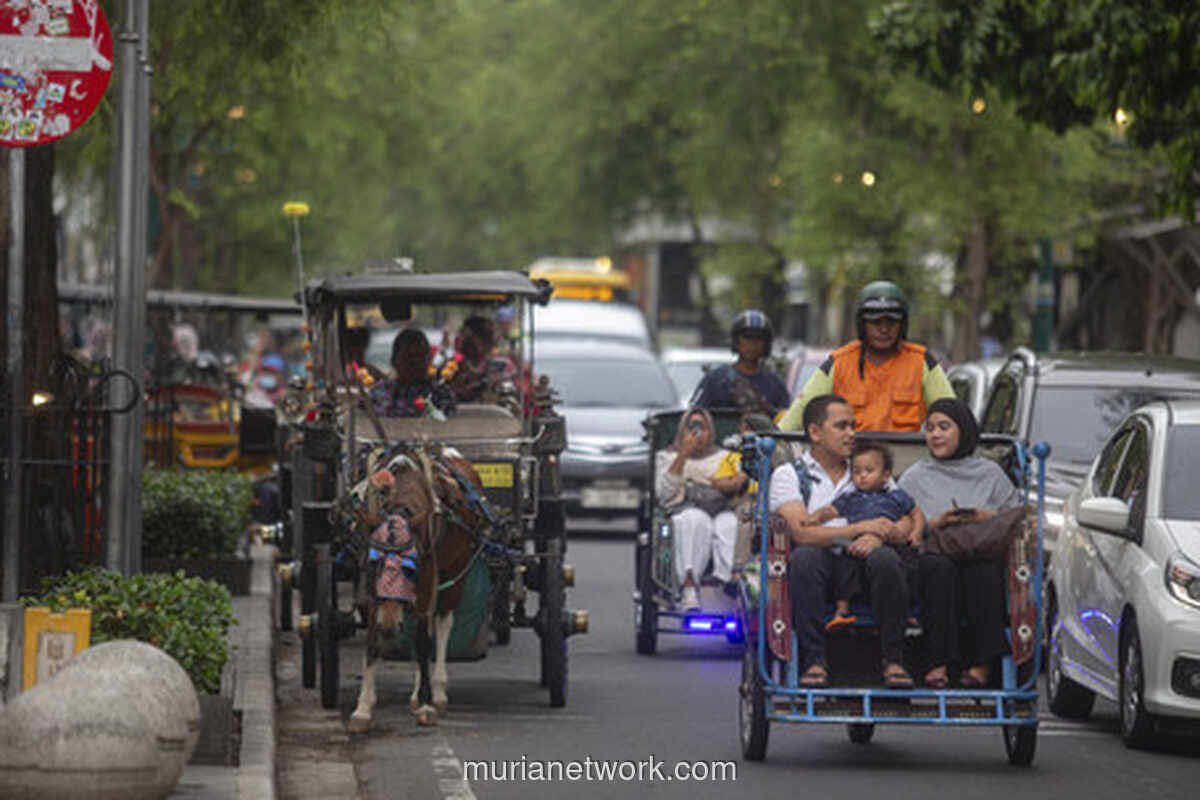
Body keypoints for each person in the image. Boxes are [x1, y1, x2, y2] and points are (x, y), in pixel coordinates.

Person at [769, 394, 917, 688]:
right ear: (815, 432)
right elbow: (801, 532)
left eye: (853, 425)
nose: (852, 433)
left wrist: (880, 534)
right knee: (804, 557)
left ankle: (894, 660)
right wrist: (858, 529)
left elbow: (904, 517)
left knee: (887, 558)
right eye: (841, 426)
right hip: (822, 563)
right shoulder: (789, 475)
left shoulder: (867, 469)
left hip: (868, 562)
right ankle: (813, 660)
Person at [897, 397, 1023, 689]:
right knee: (937, 568)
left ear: (963, 430)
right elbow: (900, 525)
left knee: (984, 569)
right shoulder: (915, 475)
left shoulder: (990, 473)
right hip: (932, 551)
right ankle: (937, 662)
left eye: (944, 427)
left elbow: (1014, 516)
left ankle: (981, 664)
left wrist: (982, 516)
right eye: (930, 428)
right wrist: (934, 522)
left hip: (978, 548)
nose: (936, 435)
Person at [778, 281, 953, 433]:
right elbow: (798, 416)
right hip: (849, 466)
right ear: (862, 325)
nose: (884, 329)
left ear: (903, 325)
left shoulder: (922, 361)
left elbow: (952, 418)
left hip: (905, 467)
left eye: (891, 322)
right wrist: (775, 440)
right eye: (876, 322)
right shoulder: (839, 363)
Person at [809, 441, 921, 632]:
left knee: (907, 562)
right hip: (854, 540)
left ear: (886, 475)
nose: (862, 476)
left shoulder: (895, 496)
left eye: (869, 471)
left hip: (889, 543)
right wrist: (816, 517)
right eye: (857, 471)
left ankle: (906, 610)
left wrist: (916, 533)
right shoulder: (850, 497)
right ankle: (842, 610)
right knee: (843, 560)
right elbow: (831, 510)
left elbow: (915, 513)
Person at [655, 409, 737, 612]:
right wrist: (683, 454)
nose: (697, 432)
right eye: (691, 426)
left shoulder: (726, 457)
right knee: (695, 520)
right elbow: (664, 495)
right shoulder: (666, 457)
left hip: (721, 508)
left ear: (711, 431)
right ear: (682, 431)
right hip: (686, 509)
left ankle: (728, 585)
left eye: (702, 427)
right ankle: (689, 588)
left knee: (730, 525)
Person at [710, 412, 778, 574]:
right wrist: (741, 478)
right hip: (747, 500)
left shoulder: (775, 451)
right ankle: (740, 569)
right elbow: (720, 482)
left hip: (775, 498)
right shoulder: (734, 455)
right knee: (747, 516)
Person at [690, 310, 791, 416]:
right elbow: (694, 415)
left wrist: (766, 410)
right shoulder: (715, 380)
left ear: (766, 344)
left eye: (759, 338)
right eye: (747, 337)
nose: (753, 344)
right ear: (736, 341)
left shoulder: (775, 384)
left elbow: (786, 423)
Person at [369, 329, 457, 418]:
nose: (414, 363)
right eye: (408, 357)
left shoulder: (441, 393)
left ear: (428, 361)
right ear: (394, 361)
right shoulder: (378, 392)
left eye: (420, 357)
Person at [447, 315, 517, 404]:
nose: (463, 341)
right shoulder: (453, 365)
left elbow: (509, 396)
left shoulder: (502, 365)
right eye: (463, 336)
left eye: (468, 337)